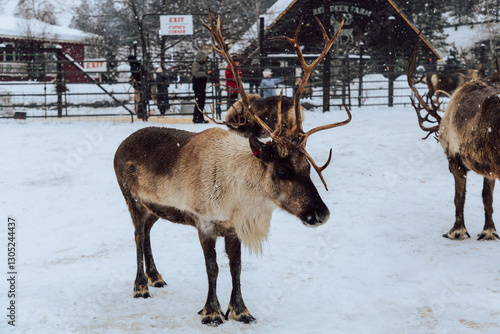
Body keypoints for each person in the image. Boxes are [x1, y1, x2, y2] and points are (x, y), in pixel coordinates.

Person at [191, 51, 212, 123]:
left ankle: (199, 117)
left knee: (201, 102)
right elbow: (196, 73)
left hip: (201, 86)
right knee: (199, 102)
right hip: (198, 86)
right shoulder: (196, 64)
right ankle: (197, 118)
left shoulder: (202, 65)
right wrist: (206, 73)